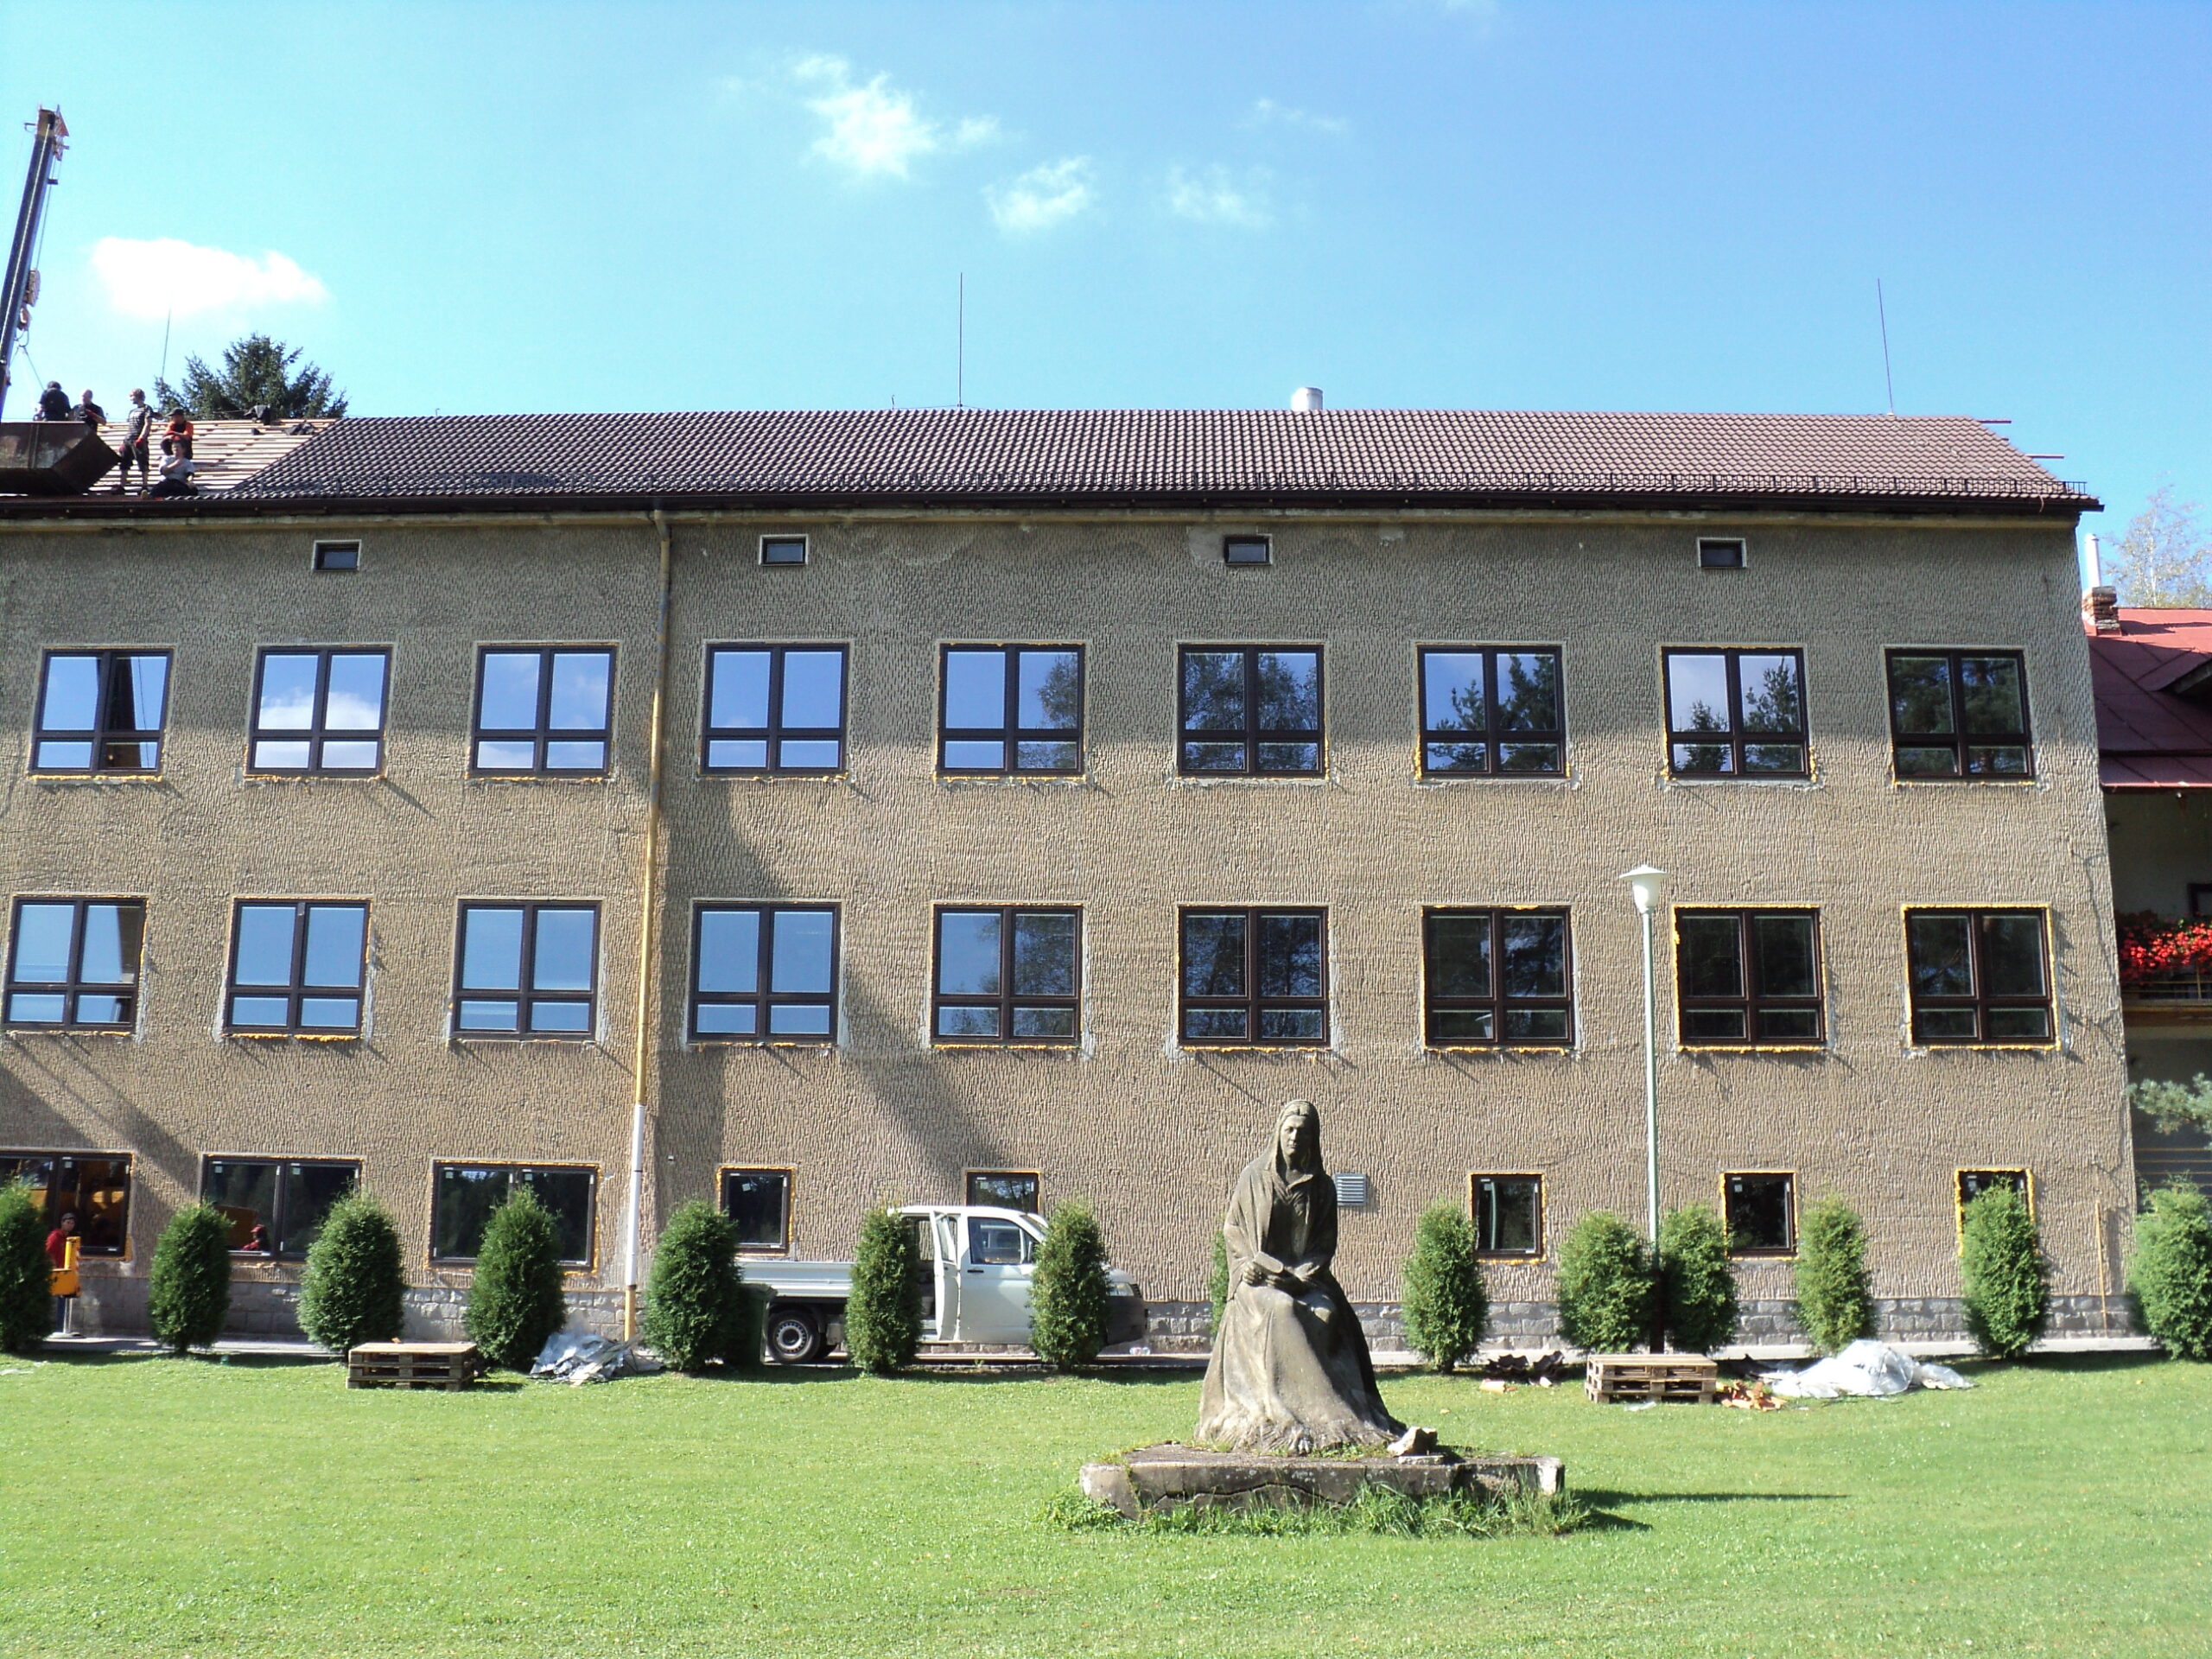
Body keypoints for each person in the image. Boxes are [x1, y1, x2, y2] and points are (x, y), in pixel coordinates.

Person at [1195, 1100, 1402, 1453]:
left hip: (1303, 1279)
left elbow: (1323, 1246)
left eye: (1302, 1132)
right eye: (1289, 1130)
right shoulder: (1254, 1177)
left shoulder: (1323, 1188)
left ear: (1313, 1139)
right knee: (1281, 1308)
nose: (1294, 1137)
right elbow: (1232, 1227)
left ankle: (1334, 1412)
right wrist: (1247, 1263)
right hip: (1257, 1282)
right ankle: (1293, 1411)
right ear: (1278, 1133)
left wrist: (1300, 1278)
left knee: (1326, 1312)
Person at [114, 389, 155, 493]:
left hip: (139, 439)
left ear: (137, 396)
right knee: (124, 463)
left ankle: (144, 485)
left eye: (132, 396)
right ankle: (122, 486)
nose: (130, 399)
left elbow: (148, 424)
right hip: (128, 439)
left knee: (143, 462)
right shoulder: (132, 411)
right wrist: (123, 441)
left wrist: (142, 437)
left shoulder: (146, 408)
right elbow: (130, 427)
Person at [46, 1211, 79, 1333]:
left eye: (72, 1223)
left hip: (65, 1273)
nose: (70, 1225)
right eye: (68, 1222)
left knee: (63, 1300)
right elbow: (48, 1252)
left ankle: (60, 1328)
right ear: (62, 1223)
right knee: (53, 1300)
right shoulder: (55, 1236)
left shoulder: (69, 1239)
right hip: (55, 1272)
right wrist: (53, 1267)